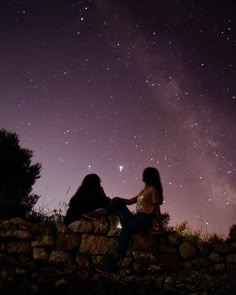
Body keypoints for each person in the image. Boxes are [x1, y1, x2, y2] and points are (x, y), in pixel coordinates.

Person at [96, 166, 164, 273]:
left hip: (145, 219)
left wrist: (160, 226)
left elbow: (156, 209)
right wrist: (118, 198)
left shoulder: (153, 190)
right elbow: (129, 201)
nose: (143, 175)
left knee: (126, 229)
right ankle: (103, 214)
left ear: (149, 176)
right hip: (137, 218)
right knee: (118, 203)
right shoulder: (143, 191)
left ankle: (115, 261)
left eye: (145, 173)